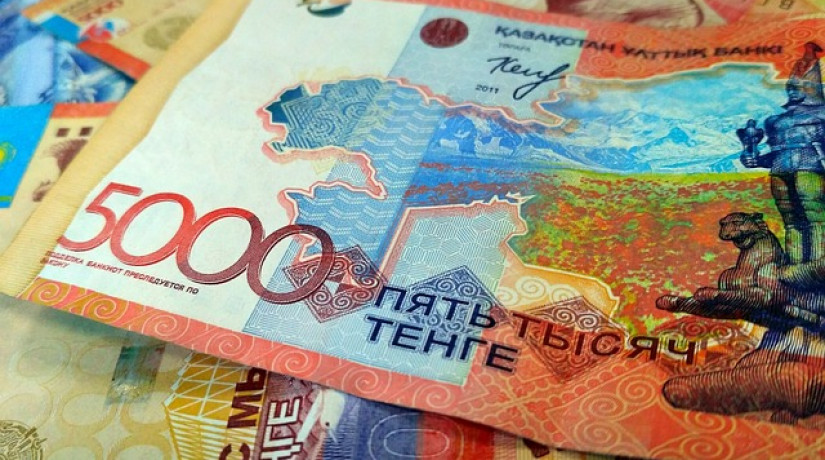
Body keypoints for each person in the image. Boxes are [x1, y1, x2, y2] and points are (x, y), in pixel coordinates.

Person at [738, 42, 825, 264]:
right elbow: (774, 153)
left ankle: (818, 266)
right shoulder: (774, 121)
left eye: (800, 84)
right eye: (792, 84)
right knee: (792, 222)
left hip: (811, 168)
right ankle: (795, 266)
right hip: (780, 171)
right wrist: (752, 154)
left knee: (816, 219)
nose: (793, 88)